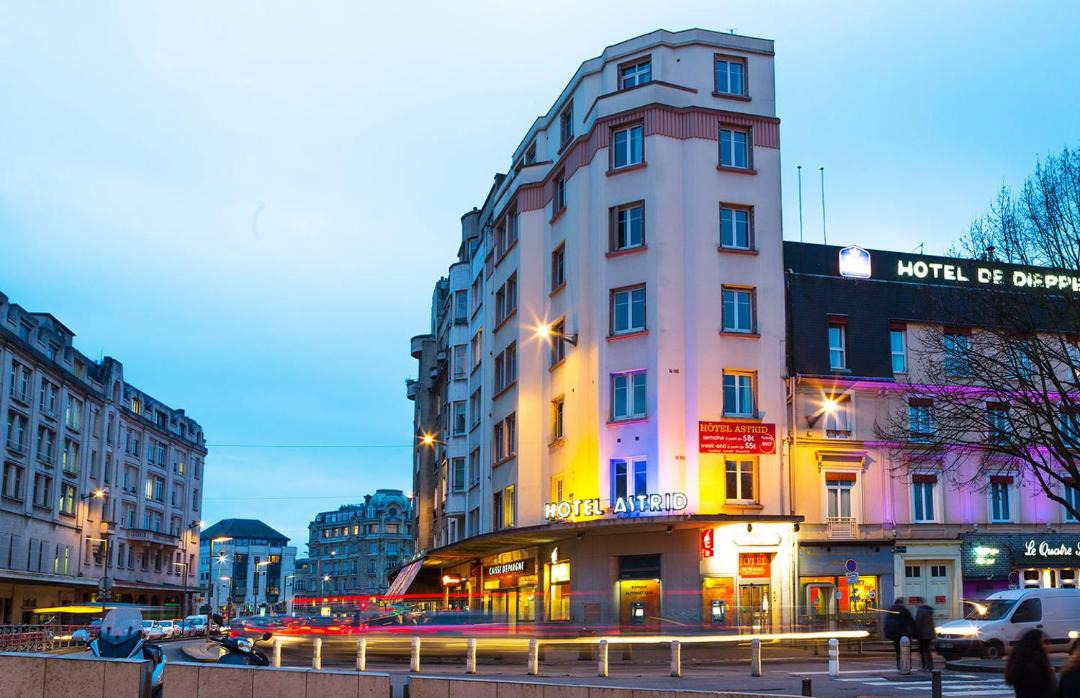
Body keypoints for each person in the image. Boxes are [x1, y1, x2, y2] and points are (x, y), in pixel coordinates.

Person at [1004, 629, 1056, 697]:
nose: (1046, 646)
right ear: (1035, 645)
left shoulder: (1022, 665)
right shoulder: (1033, 669)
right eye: (1043, 642)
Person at [884, 598, 915, 669]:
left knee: (898, 650)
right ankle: (907, 665)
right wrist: (913, 633)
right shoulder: (905, 611)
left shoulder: (891, 611)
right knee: (907, 650)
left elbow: (887, 624)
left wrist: (888, 634)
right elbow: (911, 623)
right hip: (905, 634)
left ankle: (899, 663)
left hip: (895, 635)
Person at [914, 599, 936, 671]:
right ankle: (930, 666)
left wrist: (915, 633)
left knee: (922, 651)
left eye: (916, 603)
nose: (915, 605)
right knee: (928, 651)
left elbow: (918, 623)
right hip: (929, 635)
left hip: (922, 634)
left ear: (920, 603)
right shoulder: (928, 610)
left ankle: (924, 666)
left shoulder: (920, 611)